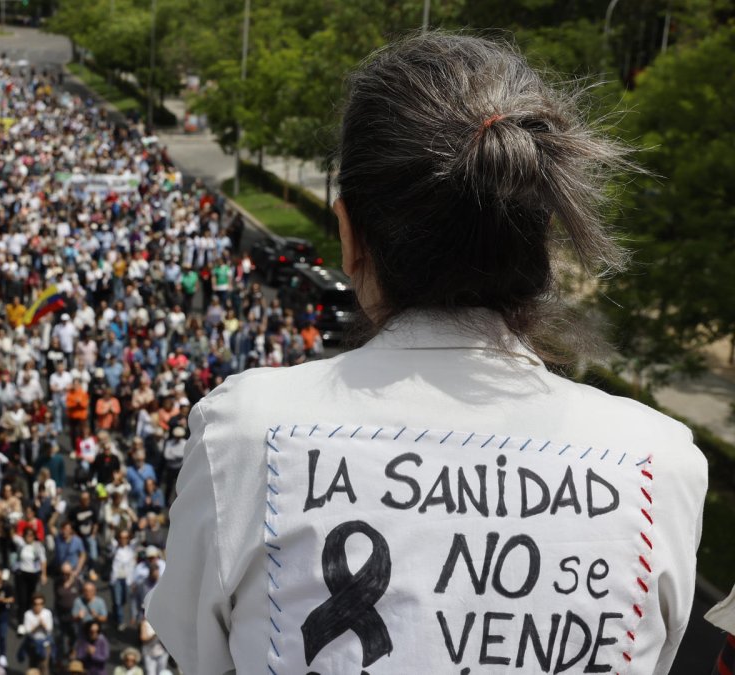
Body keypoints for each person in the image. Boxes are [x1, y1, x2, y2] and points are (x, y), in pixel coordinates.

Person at [146, 32, 709, 675]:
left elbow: (199, 652)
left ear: (349, 235)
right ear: (544, 240)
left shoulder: (245, 434)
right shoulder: (660, 466)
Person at [19, 594, 54, 675]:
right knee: (32, 665)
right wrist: (37, 626)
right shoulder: (28, 614)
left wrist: (43, 625)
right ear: (32, 604)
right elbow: (27, 631)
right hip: (33, 643)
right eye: (36, 604)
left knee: (44, 665)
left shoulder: (47, 613)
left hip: (45, 643)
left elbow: (49, 629)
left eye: (40, 604)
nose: (38, 606)